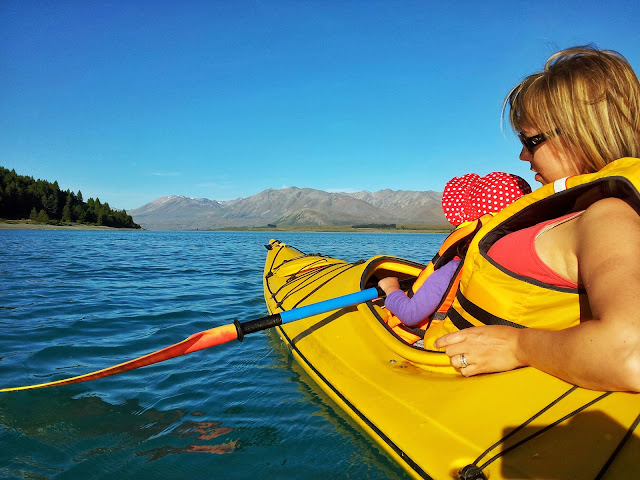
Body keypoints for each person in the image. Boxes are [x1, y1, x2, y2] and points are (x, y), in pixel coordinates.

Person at [431, 46, 640, 392]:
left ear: (580, 134)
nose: (522, 156)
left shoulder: (608, 216)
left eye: (531, 141)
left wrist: (519, 346)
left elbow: (631, 355)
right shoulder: (579, 211)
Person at [379, 172, 531, 327]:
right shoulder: (521, 267)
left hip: (435, 339)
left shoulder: (455, 270)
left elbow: (410, 314)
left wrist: (391, 288)